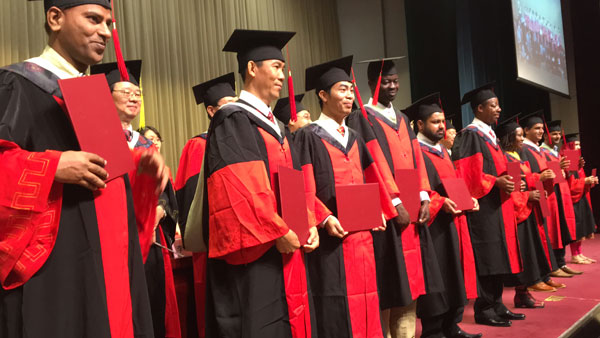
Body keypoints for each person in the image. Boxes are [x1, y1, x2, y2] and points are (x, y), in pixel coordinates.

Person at [0, 1, 168, 336]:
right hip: (57, 271)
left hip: (111, 266)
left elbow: (107, 188)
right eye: (94, 19)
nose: (105, 32)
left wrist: (140, 172)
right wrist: (52, 165)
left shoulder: (93, 97)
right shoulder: (17, 83)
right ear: (55, 18)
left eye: (108, 23)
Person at [202, 29, 319, 338]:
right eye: (276, 67)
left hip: (288, 244)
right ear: (252, 69)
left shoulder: (277, 126)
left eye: (283, 68)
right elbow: (240, 187)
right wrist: (278, 230)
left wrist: (309, 223)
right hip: (258, 253)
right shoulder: (233, 118)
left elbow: (297, 180)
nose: (282, 75)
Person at [295, 55, 397, 338]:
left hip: (362, 240)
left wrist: (378, 209)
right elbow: (303, 187)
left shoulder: (354, 136)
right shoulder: (307, 136)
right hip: (331, 243)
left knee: (367, 300)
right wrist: (324, 217)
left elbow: (372, 178)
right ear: (323, 95)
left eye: (351, 89)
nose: (350, 95)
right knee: (335, 306)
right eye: (342, 89)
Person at [346, 58, 440, 338]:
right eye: (386, 81)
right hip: (386, 215)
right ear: (372, 83)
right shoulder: (361, 117)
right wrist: (395, 202)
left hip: (411, 210)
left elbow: (416, 160)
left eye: (395, 81)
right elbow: (372, 164)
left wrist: (424, 196)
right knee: (389, 285)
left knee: (410, 285)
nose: (392, 86)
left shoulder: (401, 119)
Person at [91, 60, 181, 338]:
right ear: (107, 96)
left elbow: (167, 193)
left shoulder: (145, 145)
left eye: (138, 94)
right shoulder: (97, 137)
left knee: (150, 305)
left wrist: (160, 210)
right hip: (111, 240)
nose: (134, 98)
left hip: (149, 241)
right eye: (125, 92)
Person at [406, 93, 481, 338]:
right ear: (420, 124)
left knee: (453, 274)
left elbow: (452, 183)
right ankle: (433, 331)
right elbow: (416, 188)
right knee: (436, 278)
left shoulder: (441, 151)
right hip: (431, 226)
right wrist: (440, 202)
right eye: (435, 122)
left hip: (451, 222)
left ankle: (451, 326)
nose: (442, 126)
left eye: (442, 122)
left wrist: (468, 199)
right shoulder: (414, 151)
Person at [452, 82, 524, 327]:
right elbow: (467, 174)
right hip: (483, 208)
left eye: (498, 105)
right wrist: (495, 182)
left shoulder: (489, 134)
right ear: (479, 108)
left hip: (498, 206)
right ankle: (484, 309)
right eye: (493, 105)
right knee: (487, 255)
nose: (499, 109)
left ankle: (497, 303)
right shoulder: (470, 134)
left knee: (499, 254)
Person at [175, 72, 236, 338]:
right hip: (212, 242)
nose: (234, 108)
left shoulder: (240, 140)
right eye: (226, 103)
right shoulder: (198, 145)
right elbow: (190, 199)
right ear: (211, 110)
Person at [497, 115, 557, 309]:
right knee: (522, 254)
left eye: (523, 135)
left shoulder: (517, 156)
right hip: (519, 214)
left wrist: (538, 181)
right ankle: (522, 294)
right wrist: (528, 196)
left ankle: (526, 292)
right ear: (509, 137)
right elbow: (515, 189)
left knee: (530, 252)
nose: (522, 139)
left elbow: (523, 181)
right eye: (519, 135)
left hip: (528, 211)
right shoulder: (506, 158)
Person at [536, 116, 582, 277]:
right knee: (553, 230)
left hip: (561, 195)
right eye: (553, 134)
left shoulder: (554, 152)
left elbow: (562, 175)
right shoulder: (541, 151)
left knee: (561, 228)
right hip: (550, 196)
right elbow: (544, 175)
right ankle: (555, 264)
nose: (556, 137)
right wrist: (559, 169)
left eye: (558, 134)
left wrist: (571, 169)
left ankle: (561, 263)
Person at [561, 133, 598, 264]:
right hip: (573, 200)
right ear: (569, 146)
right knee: (576, 226)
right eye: (576, 144)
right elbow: (570, 184)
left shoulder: (576, 159)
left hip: (581, 197)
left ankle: (580, 253)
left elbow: (580, 179)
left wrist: (590, 180)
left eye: (579, 144)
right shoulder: (566, 159)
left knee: (582, 225)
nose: (578, 146)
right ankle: (575, 255)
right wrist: (585, 181)